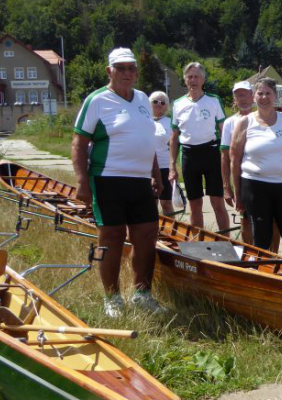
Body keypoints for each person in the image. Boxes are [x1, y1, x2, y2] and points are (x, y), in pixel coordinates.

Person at [71, 48, 165, 317]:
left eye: (131, 68)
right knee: (111, 237)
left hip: (139, 182)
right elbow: (79, 143)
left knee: (146, 236)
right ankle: (112, 297)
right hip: (107, 179)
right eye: (120, 68)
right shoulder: (97, 100)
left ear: (136, 71)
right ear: (109, 71)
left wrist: (156, 173)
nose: (127, 73)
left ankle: (141, 294)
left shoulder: (143, 99)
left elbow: (147, 139)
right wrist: (82, 182)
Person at [230, 78, 282, 258]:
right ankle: (261, 274)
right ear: (254, 97)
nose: (264, 97)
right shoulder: (245, 122)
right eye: (260, 93)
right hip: (255, 186)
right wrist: (237, 193)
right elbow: (235, 158)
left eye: (268, 93)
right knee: (261, 237)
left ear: (275, 96)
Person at [170, 62, 230, 232]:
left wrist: (228, 158)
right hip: (189, 155)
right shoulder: (178, 104)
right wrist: (172, 166)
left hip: (211, 153)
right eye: (190, 77)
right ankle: (199, 243)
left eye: (197, 76)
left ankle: (226, 241)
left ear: (203, 79)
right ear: (185, 80)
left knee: (217, 201)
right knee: (194, 203)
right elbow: (174, 137)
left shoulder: (213, 100)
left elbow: (223, 130)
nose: (193, 80)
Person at [221, 81, 255, 242]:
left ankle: (268, 256)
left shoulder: (265, 118)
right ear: (234, 99)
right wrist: (227, 187)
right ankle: (249, 256)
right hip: (241, 178)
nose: (242, 99)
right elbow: (225, 156)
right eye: (238, 95)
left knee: (269, 220)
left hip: (262, 176)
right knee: (245, 219)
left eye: (245, 94)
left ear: (252, 96)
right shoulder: (229, 123)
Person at [150, 91, 176, 216]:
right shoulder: (144, 120)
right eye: (155, 101)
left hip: (164, 166)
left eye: (162, 102)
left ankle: (170, 231)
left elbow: (174, 145)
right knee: (150, 202)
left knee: (166, 203)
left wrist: (173, 166)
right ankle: (151, 232)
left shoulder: (170, 122)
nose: (158, 104)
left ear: (166, 106)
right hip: (145, 167)